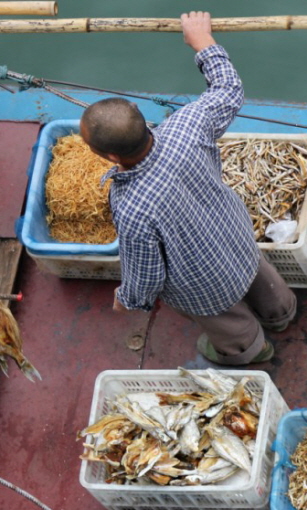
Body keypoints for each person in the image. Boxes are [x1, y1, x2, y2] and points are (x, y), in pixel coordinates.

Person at [79, 11, 296, 365]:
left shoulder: (131, 205)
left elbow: (145, 273)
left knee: (229, 323)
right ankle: (282, 315)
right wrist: (203, 42)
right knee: (260, 277)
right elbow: (228, 89)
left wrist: (128, 300)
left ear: (110, 155)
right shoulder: (188, 126)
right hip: (237, 238)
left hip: (203, 286)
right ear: (140, 115)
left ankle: (254, 351)